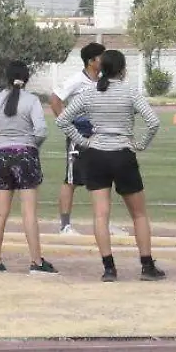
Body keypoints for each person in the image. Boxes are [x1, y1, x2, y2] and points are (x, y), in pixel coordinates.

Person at [57, 50, 164, 282]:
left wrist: (84, 141)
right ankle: (147, 266)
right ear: (123, 70)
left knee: (100, 216)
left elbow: (62, 120)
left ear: (101, 68)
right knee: (139, 214)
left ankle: (109, 268)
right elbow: (153, 122)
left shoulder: (89, 93)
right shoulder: (129, 92)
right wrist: (140, 144)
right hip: (122, 154)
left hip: (96, 155)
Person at [0, 60, 57, 275]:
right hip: (26, 155)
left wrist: (0, 141)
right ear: (26, 78)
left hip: (2, 155)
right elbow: (41, 131)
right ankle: (36, 262)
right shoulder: (31, 101)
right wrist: (30, 146)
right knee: (29, 212)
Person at [50, 43, 123, 236]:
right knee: (72, 179)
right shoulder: (76, 80)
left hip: (100, 135)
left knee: (104, 179)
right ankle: (65, 226)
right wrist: (67, 125)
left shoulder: (103, 80)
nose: (105, 60)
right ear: (91, 61)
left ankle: (104, 223)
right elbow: (55, 99)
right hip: (79, 135)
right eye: (102, 57)